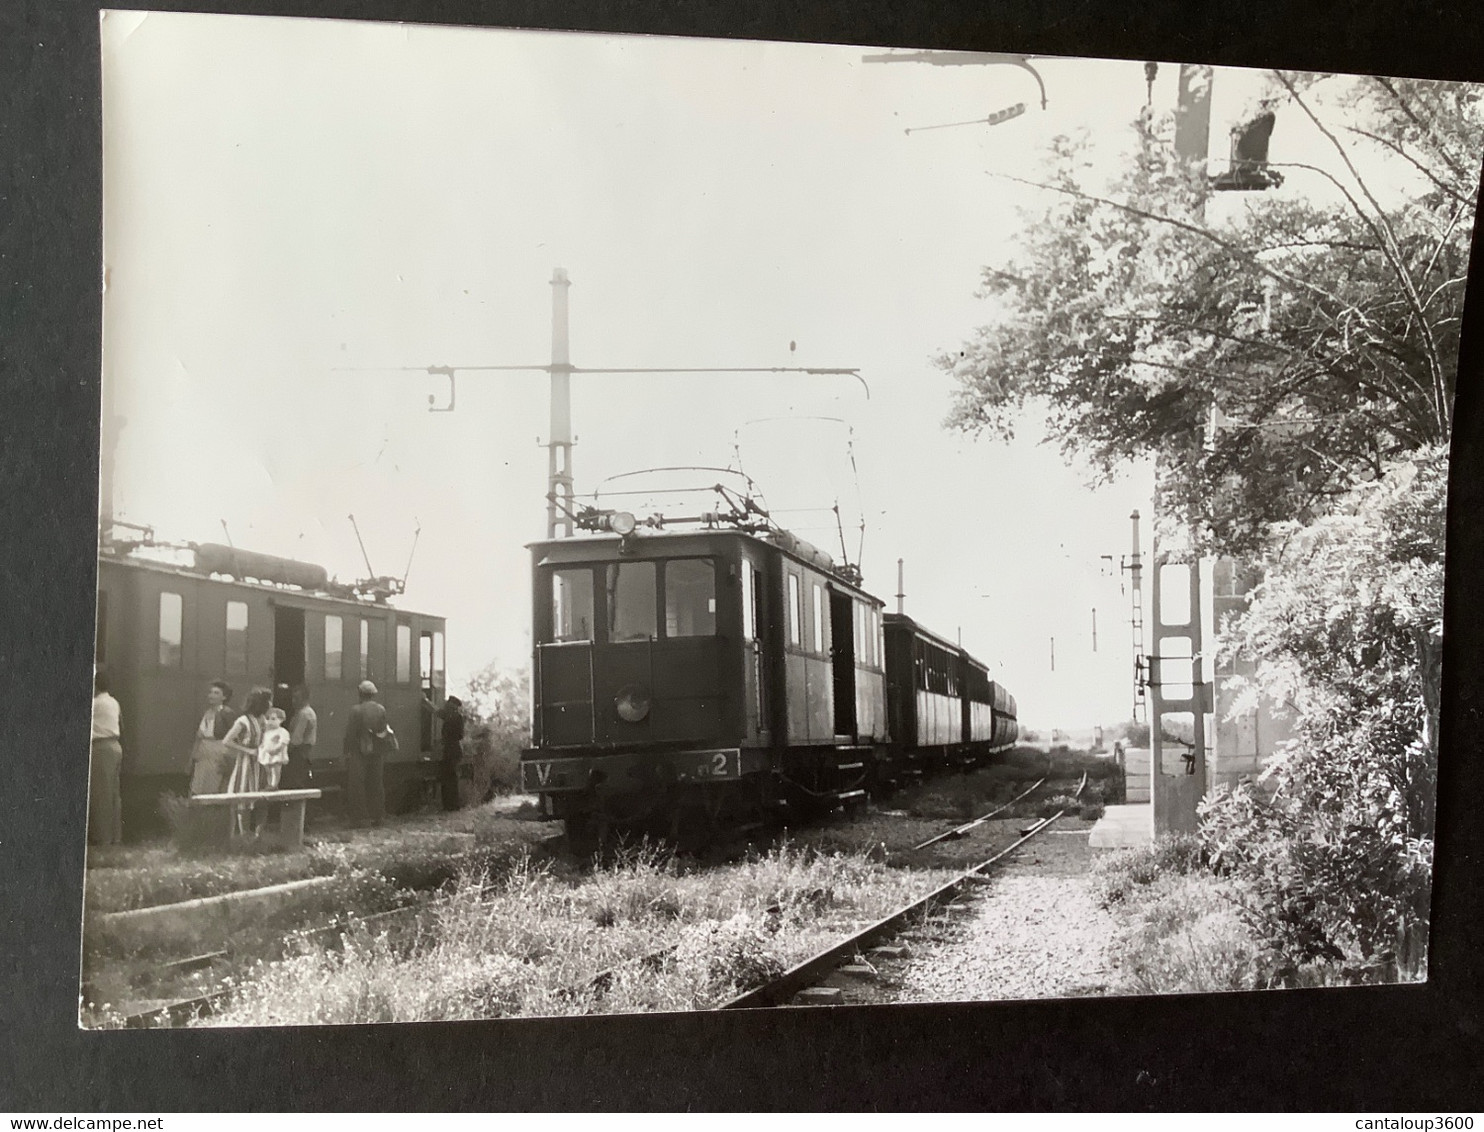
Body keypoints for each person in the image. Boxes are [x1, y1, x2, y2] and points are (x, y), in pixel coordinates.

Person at [342, 680, 390, 826]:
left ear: (360, 694)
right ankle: (378, 816)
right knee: (376, 783)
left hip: (360, 751)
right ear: (373, 694)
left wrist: (346, 751)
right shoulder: (381, 709)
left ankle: (360, 818)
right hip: (377, 751)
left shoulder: (356, 710)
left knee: (357, 784)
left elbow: (350, 734)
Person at [224, 687, 270, 834]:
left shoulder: (262, 719)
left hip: (261, 763)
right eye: (268, 701)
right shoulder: (243, 721)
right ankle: (243, 835)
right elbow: (227, 741)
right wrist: (248, 750)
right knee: (244, 799)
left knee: (263, 799)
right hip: (246, 764)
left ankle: (257, 835)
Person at [89, 669, 124, 845]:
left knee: (100, 794)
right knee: (112, 794)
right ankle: (114, 837)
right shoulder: (114, 702)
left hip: (101, 747)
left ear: (95, 685)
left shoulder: (95, 704)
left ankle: (102, 838)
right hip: (115, 746)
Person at [189, 680, 238, 795]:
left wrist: (228, 759)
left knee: (215, 786)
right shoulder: (206, 713)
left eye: (216, 693)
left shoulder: (226, 713)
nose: (211, 695)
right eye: (211, 692)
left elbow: (234, 737)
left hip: (218, 752)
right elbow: (199, 736)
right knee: (199, 785)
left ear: (224, 697)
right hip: (204, 753)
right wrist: (192, 757)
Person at [282, 684, 317, 791]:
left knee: (295, 781)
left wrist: (285, 752)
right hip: (303, 751)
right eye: (293, 698)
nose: (293, 701)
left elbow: (296, 738)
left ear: (305, 699)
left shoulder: (304, 714)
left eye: (296, 698)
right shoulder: (304, 712)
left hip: (298, 752)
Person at [437, 696, 466, 812]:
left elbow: (437, 712)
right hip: (454, 749)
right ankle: (451, 805)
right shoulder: (456, 717)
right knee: (451, 778)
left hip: (451, 749)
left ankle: (450, 805)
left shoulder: (452, 717)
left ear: (452, 706)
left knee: (449, 778)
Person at [258, 707, 291, 790]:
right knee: (268, 770)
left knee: (275, 770)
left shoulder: (282, 731)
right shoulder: (266, 732)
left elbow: (283, 743)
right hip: (267, 754)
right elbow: (263, 742)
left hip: (277, 754)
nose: (270, 722)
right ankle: (269, 784)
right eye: (268, 719)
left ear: (281, 720)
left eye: (273, 719)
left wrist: (276, 749)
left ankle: (274, 784)